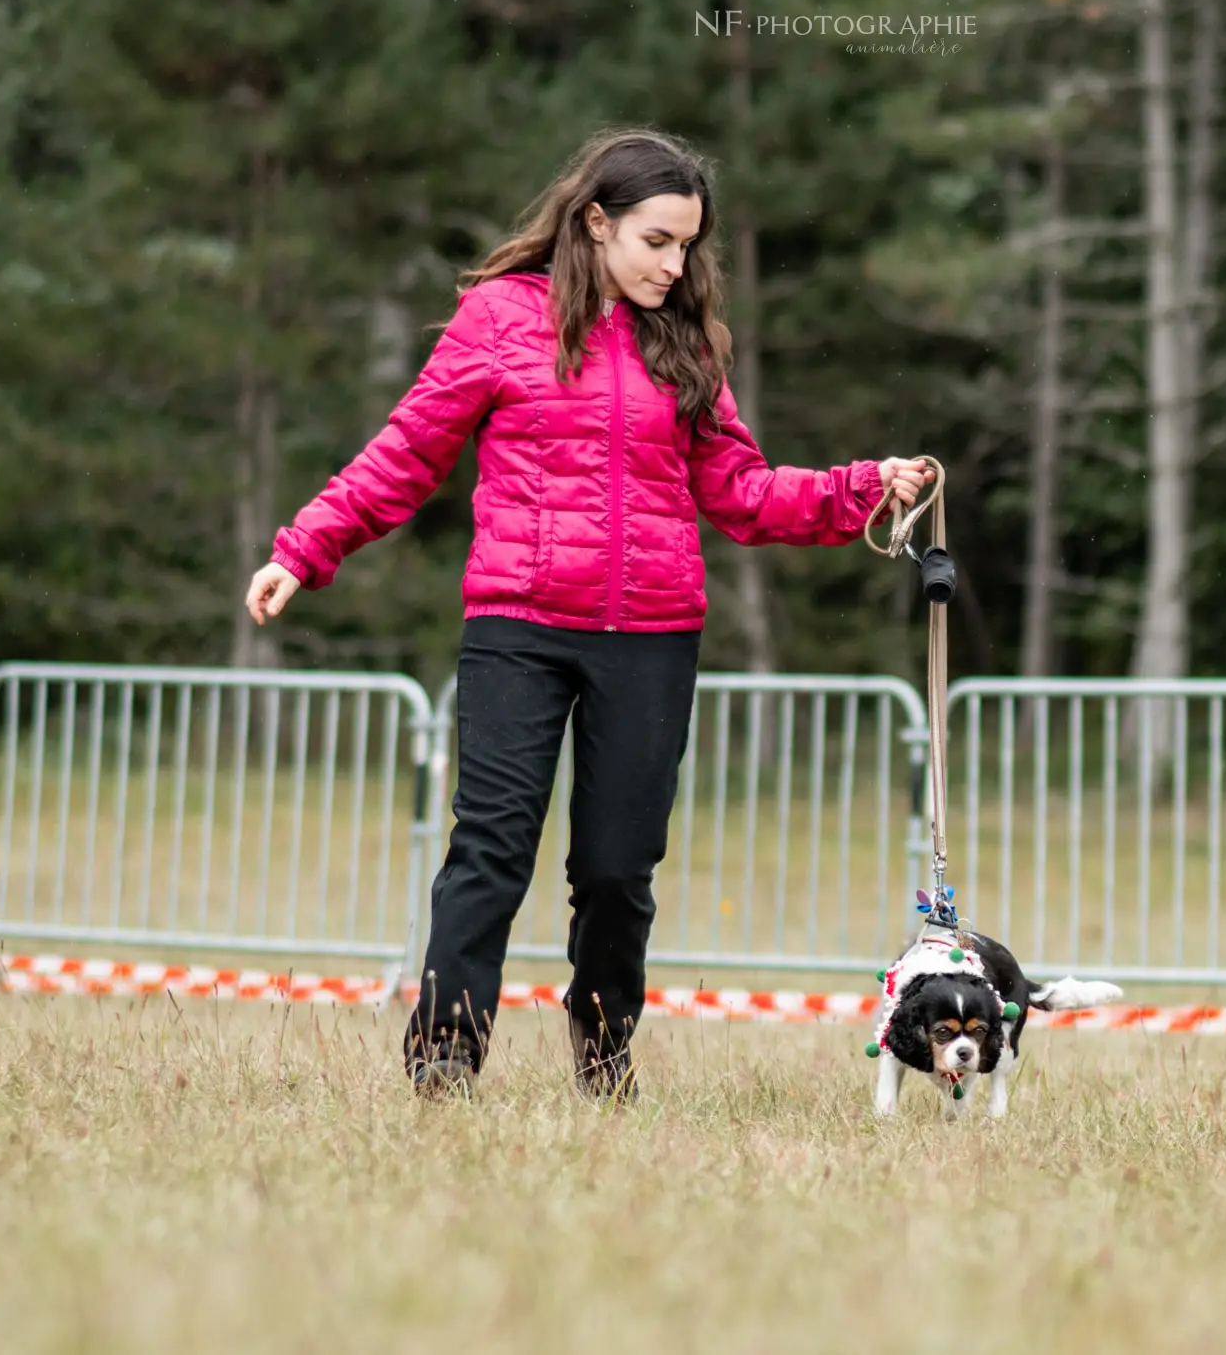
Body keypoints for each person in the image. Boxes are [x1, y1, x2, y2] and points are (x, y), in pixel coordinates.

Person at [243, 127, 933, 1102]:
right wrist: (301, 548)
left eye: (687, 245)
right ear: (596, 222)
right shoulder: (497, 319)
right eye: (656, 240)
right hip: (517, 628)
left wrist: (858, 488)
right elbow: (405, 453)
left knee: (615, 873)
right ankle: (443, 1064)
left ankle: (603, 1058)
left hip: (651, 638)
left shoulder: (686, 339)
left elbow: (737, 491)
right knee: (488, 852)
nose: (674, 263)